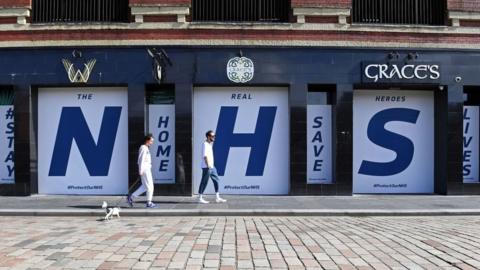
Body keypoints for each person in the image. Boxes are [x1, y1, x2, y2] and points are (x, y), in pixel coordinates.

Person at [127, 134, 157, 208]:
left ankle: (131, 197)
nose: (152, 142)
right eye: (151, 141)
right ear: (147, 140)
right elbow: (141, 159)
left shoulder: (146, 148)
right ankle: (149, 202)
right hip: (145, 169)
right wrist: (140, 169)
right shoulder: (143, 148)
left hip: (146, 169)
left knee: (145, 186)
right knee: (150, 186)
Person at [198, 130, 227, 204]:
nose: (214, 137)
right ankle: (200, 198)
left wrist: (211, 166)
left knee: (216, 180)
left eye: (214, 136)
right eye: (212, 136)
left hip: (212, 167)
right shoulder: (205, 144)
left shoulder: (209, 145)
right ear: (208, 136)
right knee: (204, 182)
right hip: (207, 167)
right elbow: (205, 156)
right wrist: (208, 166)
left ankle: (217, 197)